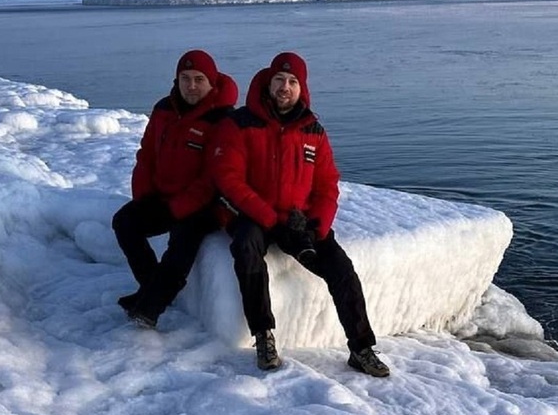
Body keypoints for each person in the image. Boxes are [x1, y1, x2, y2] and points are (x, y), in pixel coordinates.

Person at [211, 51, 389, 377]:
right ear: (268, 83)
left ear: (301, 89)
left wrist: (316, 228)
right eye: (279, 79)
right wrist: (269, 219)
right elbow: (229, 180)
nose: (285, 87)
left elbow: (327, 185)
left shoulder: (313, 131)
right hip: (253, 214)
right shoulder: (240, 123)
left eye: (293, 82)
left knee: (341, 268)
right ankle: (263, 334)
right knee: (246, 249)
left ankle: (361, 347)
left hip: (297, 219)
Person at [112, 49, 237, 327]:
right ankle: (150, 287)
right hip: (164, 196)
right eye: (185, 78)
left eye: (199, 79)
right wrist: (143, 196)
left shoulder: (223, 120)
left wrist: (179, 208)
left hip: (207, 204)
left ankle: (150, 308)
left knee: (182, 239)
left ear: (211, 82)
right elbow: (146, 156)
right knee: (125, 222)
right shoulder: (164, 110)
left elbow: (214, 176)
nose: (191, 86)